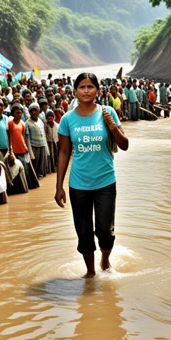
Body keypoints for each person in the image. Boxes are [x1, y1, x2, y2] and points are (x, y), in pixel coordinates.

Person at [55, 73, 129, 278]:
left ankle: (105, 259)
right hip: (78, 184)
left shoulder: (108, 113)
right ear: (75, 91)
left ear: (98, 90)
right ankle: (90, 272)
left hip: (105, 182)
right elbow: (63, 152)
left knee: (105, 232)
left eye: (90, 87)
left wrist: (113, 127)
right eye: (82, 87)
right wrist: (59, 186)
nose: (86, 91)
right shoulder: (68, 119)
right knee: (84, 232)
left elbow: (124, 145)